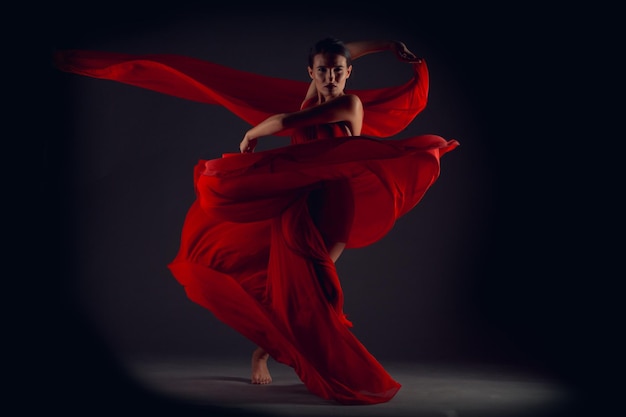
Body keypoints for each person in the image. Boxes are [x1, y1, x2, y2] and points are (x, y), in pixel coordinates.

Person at [54, 37, 459, 405]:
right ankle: (268, 354)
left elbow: (285, 123)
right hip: (298, 202)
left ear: (349, 73)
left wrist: (252, 133)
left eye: (339, 69)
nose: (332, 76)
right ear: (311, 73)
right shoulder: (312, 99)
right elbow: (332, 66)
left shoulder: (349, 104)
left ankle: (309, 359)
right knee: (286, 286)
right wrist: (384, 44)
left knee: (319, 294)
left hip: (335, 204)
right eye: (323, 70)